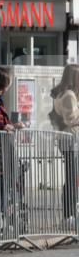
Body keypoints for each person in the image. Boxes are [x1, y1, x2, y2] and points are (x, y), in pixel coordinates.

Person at [49, 64, 79, 219]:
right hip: (70, 139)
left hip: (66, 139)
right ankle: (70, 214)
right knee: (72, 177)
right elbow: (71, 119)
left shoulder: (63, 94)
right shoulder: (69, 95)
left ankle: (70, 213)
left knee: (71, 176)